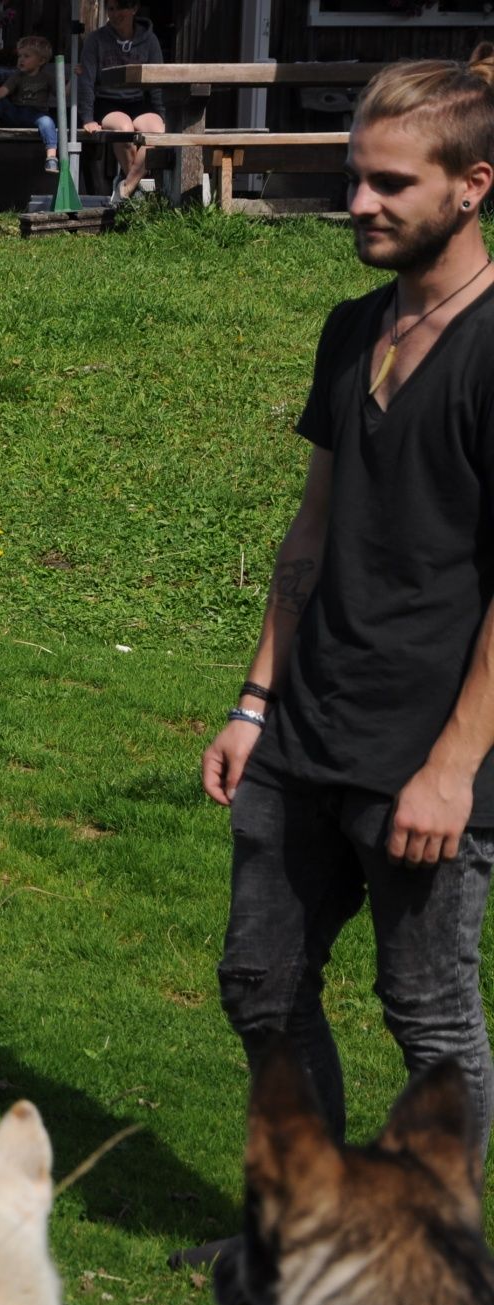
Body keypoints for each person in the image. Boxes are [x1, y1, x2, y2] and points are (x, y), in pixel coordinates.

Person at [200, 46, 494, 1216]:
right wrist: (251, 700)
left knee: (427, 1021)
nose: (356, 204)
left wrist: (453, 764)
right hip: (303, 725)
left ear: (469, 188)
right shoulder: (349, 327)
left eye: (388, 184)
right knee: (258, 983)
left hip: (426, 746)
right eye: (351, 178)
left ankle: (431, 1251)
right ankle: (312, 1226)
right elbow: (309, 534)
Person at [77, 0, 167, 201]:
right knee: (124, 129)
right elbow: (87, 80)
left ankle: (126, 188)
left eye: (121, 8)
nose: (115, 14)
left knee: (157, 131)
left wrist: (162, 114)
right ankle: (140, 193)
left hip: (137, 101)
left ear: (134, 8)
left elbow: (157, 80)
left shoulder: (149, 40)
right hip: (107, 102)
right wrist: (87, 118)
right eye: (111, 9)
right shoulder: (96, 40)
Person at [0, 34, 62, 175]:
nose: (21, 60)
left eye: (26, 56)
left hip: (36, 115)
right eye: (20, 56)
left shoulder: (47, 77)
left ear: (41, 60)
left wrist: (74, 78)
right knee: (1, 102)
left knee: (48, 123)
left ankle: (51, 157)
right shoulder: (17, 76)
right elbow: (4, 90)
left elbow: (62, 94)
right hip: (17, 113)